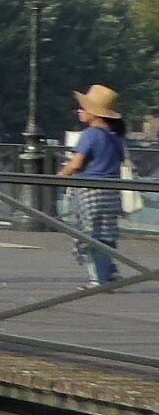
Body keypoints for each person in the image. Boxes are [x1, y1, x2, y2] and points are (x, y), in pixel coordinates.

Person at [57, 83, 129, 288]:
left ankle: (97, 279)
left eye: (83, 108)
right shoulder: (116, 137)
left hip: (90, 191)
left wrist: (61, 175)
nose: (79, 111)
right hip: (111, 191)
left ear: (95, 113)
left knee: (89, 234)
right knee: (106, 233)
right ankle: (110, 270)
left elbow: (77, 163)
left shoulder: (90, 134)